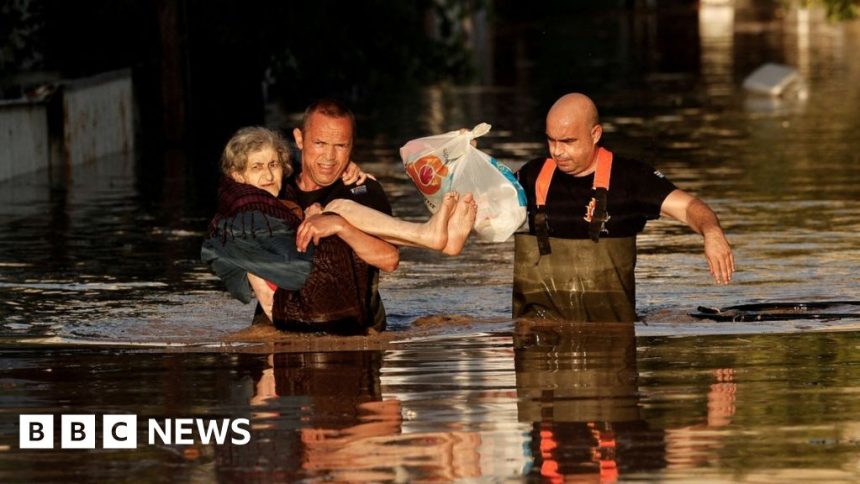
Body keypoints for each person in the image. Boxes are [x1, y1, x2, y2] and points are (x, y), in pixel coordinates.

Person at [202, 124, 476, 334]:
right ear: (238, 177)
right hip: (295, 314)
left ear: (284, 166)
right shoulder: (245, 214)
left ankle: (435, 237)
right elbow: (272, 279)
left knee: (336, 211)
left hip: (321, 308)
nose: (267, 175)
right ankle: (431, 236)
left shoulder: (279, 199)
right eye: (257, 168)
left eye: (273, 165)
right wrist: (320, 217)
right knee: (337, 210)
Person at [513, 93, 735, 322]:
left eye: (568, 142)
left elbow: (689, 207)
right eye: (551, 140)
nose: (557, 151)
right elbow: (484, 209)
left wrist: (712, 232)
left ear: (595, 134)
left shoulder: (631, 177)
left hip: (612, 335)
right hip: (536, 336)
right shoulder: (532, 176)